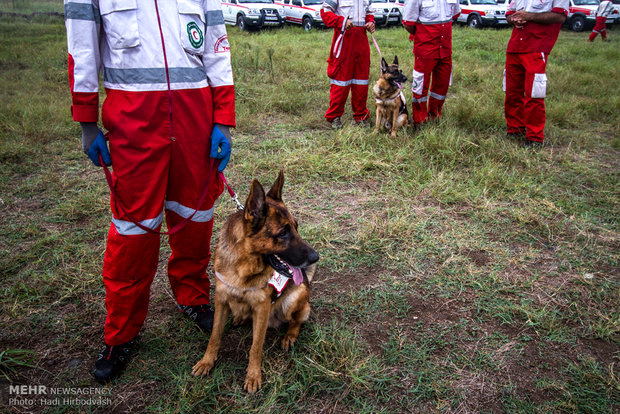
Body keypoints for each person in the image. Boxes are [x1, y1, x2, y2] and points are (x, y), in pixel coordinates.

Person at [64, 0, 235, 383]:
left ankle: (192, 297)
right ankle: (120, 333)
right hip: (134, 119)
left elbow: (217, 44)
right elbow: (82, 44)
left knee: (196, 214)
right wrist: (87, 119)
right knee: (132, 229)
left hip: (196, 115)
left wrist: (222, 117)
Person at [504, 0, 568, 147]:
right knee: (512, 91)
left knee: (534, 93)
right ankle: (514, 129)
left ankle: (534, 137)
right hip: (515, 46)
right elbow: (509, 14)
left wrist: (529, 16)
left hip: (536, 46)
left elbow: (560, 16)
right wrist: (514, 20)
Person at [402, 0, 460, 128]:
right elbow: (408, 23)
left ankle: (435, 116)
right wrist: (422, 36)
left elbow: (455, 14)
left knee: (442, 85)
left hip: (445, 49)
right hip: (425, 49)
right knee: (420, 86)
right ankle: (420, 120)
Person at [321, 0, 376, 129]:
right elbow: (325, 13)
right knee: (341, 80)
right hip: (344, 39)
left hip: (362, 40)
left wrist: (370, 22)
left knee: (361, 81)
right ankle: (334, 117)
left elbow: (369, 12)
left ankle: (361, 116)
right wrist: (342, 21)